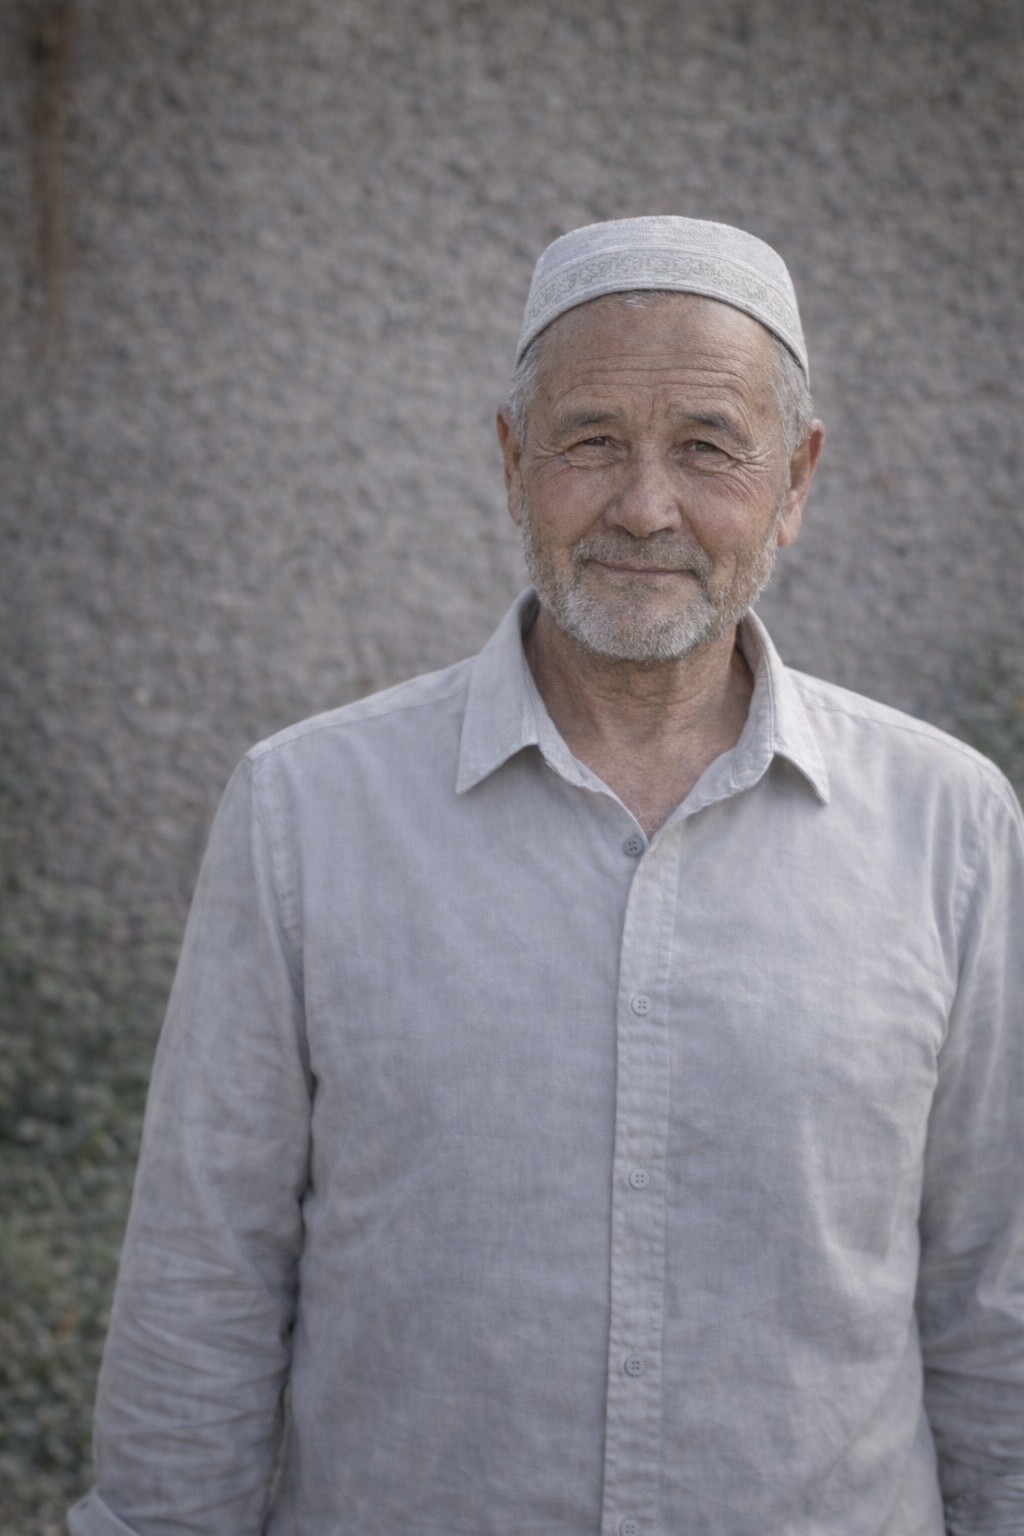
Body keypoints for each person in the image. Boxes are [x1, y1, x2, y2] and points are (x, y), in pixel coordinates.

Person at [69, 217, 1023, 1536]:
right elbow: (205, 1283)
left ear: (797, 479)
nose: (645, 507)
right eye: (591, 442)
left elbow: (997, 1306)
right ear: (514, 464)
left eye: (708, 447)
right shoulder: (308, 812)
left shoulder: (951, 828)